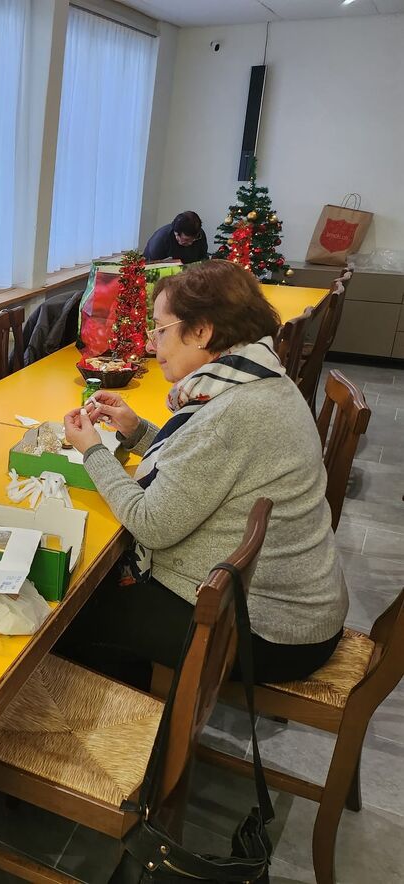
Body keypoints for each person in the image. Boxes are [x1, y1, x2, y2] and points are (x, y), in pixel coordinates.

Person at [58, 260, 347, 687]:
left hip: (269, 632)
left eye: (161, 329)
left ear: (201, 332)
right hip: (290, 609)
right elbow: (202, 464)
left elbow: (151, 523)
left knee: (67, 611)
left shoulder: (232, 412)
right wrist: (137, 432)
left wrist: (93, 451)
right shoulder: (256, 379)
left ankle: (132, 717)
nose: (152, 343)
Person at [143, 210, 209, 265]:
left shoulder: (200, 234)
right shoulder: (160, 240)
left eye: (194, 239)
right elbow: (152, 267)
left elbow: (203, 258)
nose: (190, 243)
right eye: (186, 240)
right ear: (176, 233)